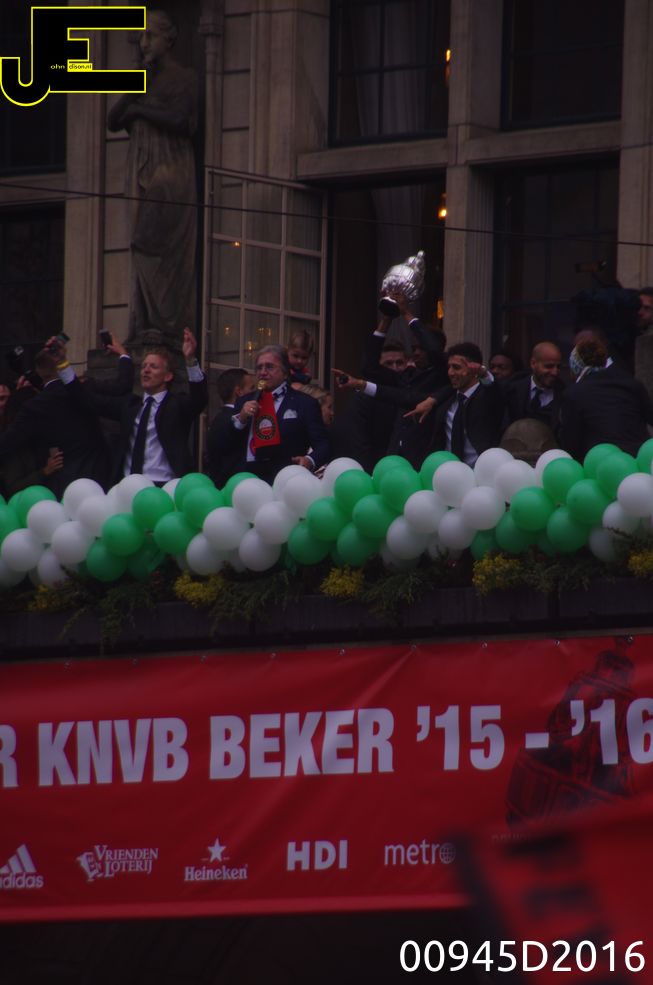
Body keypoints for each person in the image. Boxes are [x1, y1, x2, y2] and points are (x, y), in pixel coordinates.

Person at [107, 10, 198, 349]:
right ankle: (145, 322)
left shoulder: (185, 77)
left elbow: (183, 120)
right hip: (140, 168)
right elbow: (113, 120)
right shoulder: (141, 78)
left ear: (168, 39)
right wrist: (134, 87)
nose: (143, 43)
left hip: (170, 167)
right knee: (139, 240)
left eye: (150, 35)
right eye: (140, 37)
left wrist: (140, 110)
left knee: (154, 240)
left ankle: (166, 323)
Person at [55, 329, 207, 484]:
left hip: (164, 486)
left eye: (153, 367)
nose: (146, 370)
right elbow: (86, 398)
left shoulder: (177, 404)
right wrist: (62, 364)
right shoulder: (130, 405)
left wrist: (190, 360)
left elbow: (199, 399)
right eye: (143, 366)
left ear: (168, 376)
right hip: (128, 485)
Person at [0, 348, 112, 496]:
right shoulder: (83, 392)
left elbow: (9, 440)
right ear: (61, 366)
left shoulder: (35, 406)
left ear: (39, 372)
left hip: (65, 482)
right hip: (100, 473)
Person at [229, 345, 330, 484]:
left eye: (269, 367)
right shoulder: (244, 401)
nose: (263, 372)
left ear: (285, 372)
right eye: (259, 368)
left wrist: (309, 460)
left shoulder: (305, 403)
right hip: (248, 479)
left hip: (287, 479)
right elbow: (229, 444)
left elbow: (323, 445)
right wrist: (241, 419)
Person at [558, 333, 653, 460]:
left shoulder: (573, 394)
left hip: (600, 462)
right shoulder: (632, 385)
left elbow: (571, 442)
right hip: (639, 459)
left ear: (575, 366)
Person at [425, 343, 505, 467]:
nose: (450, 373)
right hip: (447, 470)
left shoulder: (487, 397)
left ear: (474, 370)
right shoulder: (446, 398)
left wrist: (484, 373)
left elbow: (495, 391)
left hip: (481, 470)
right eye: (449, 367)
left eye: (456, 367)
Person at [205, 367, 255, 488]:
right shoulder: (228, 420)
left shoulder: (220, 417)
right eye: (251, 388)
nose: (255, 393)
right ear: (239, 391)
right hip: (232, 487)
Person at [502, 342, 565, 433]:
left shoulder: (565, 395)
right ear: (533, 363)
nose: (555, 372)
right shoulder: (513, 390)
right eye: (549, 366)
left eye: (558, 367)